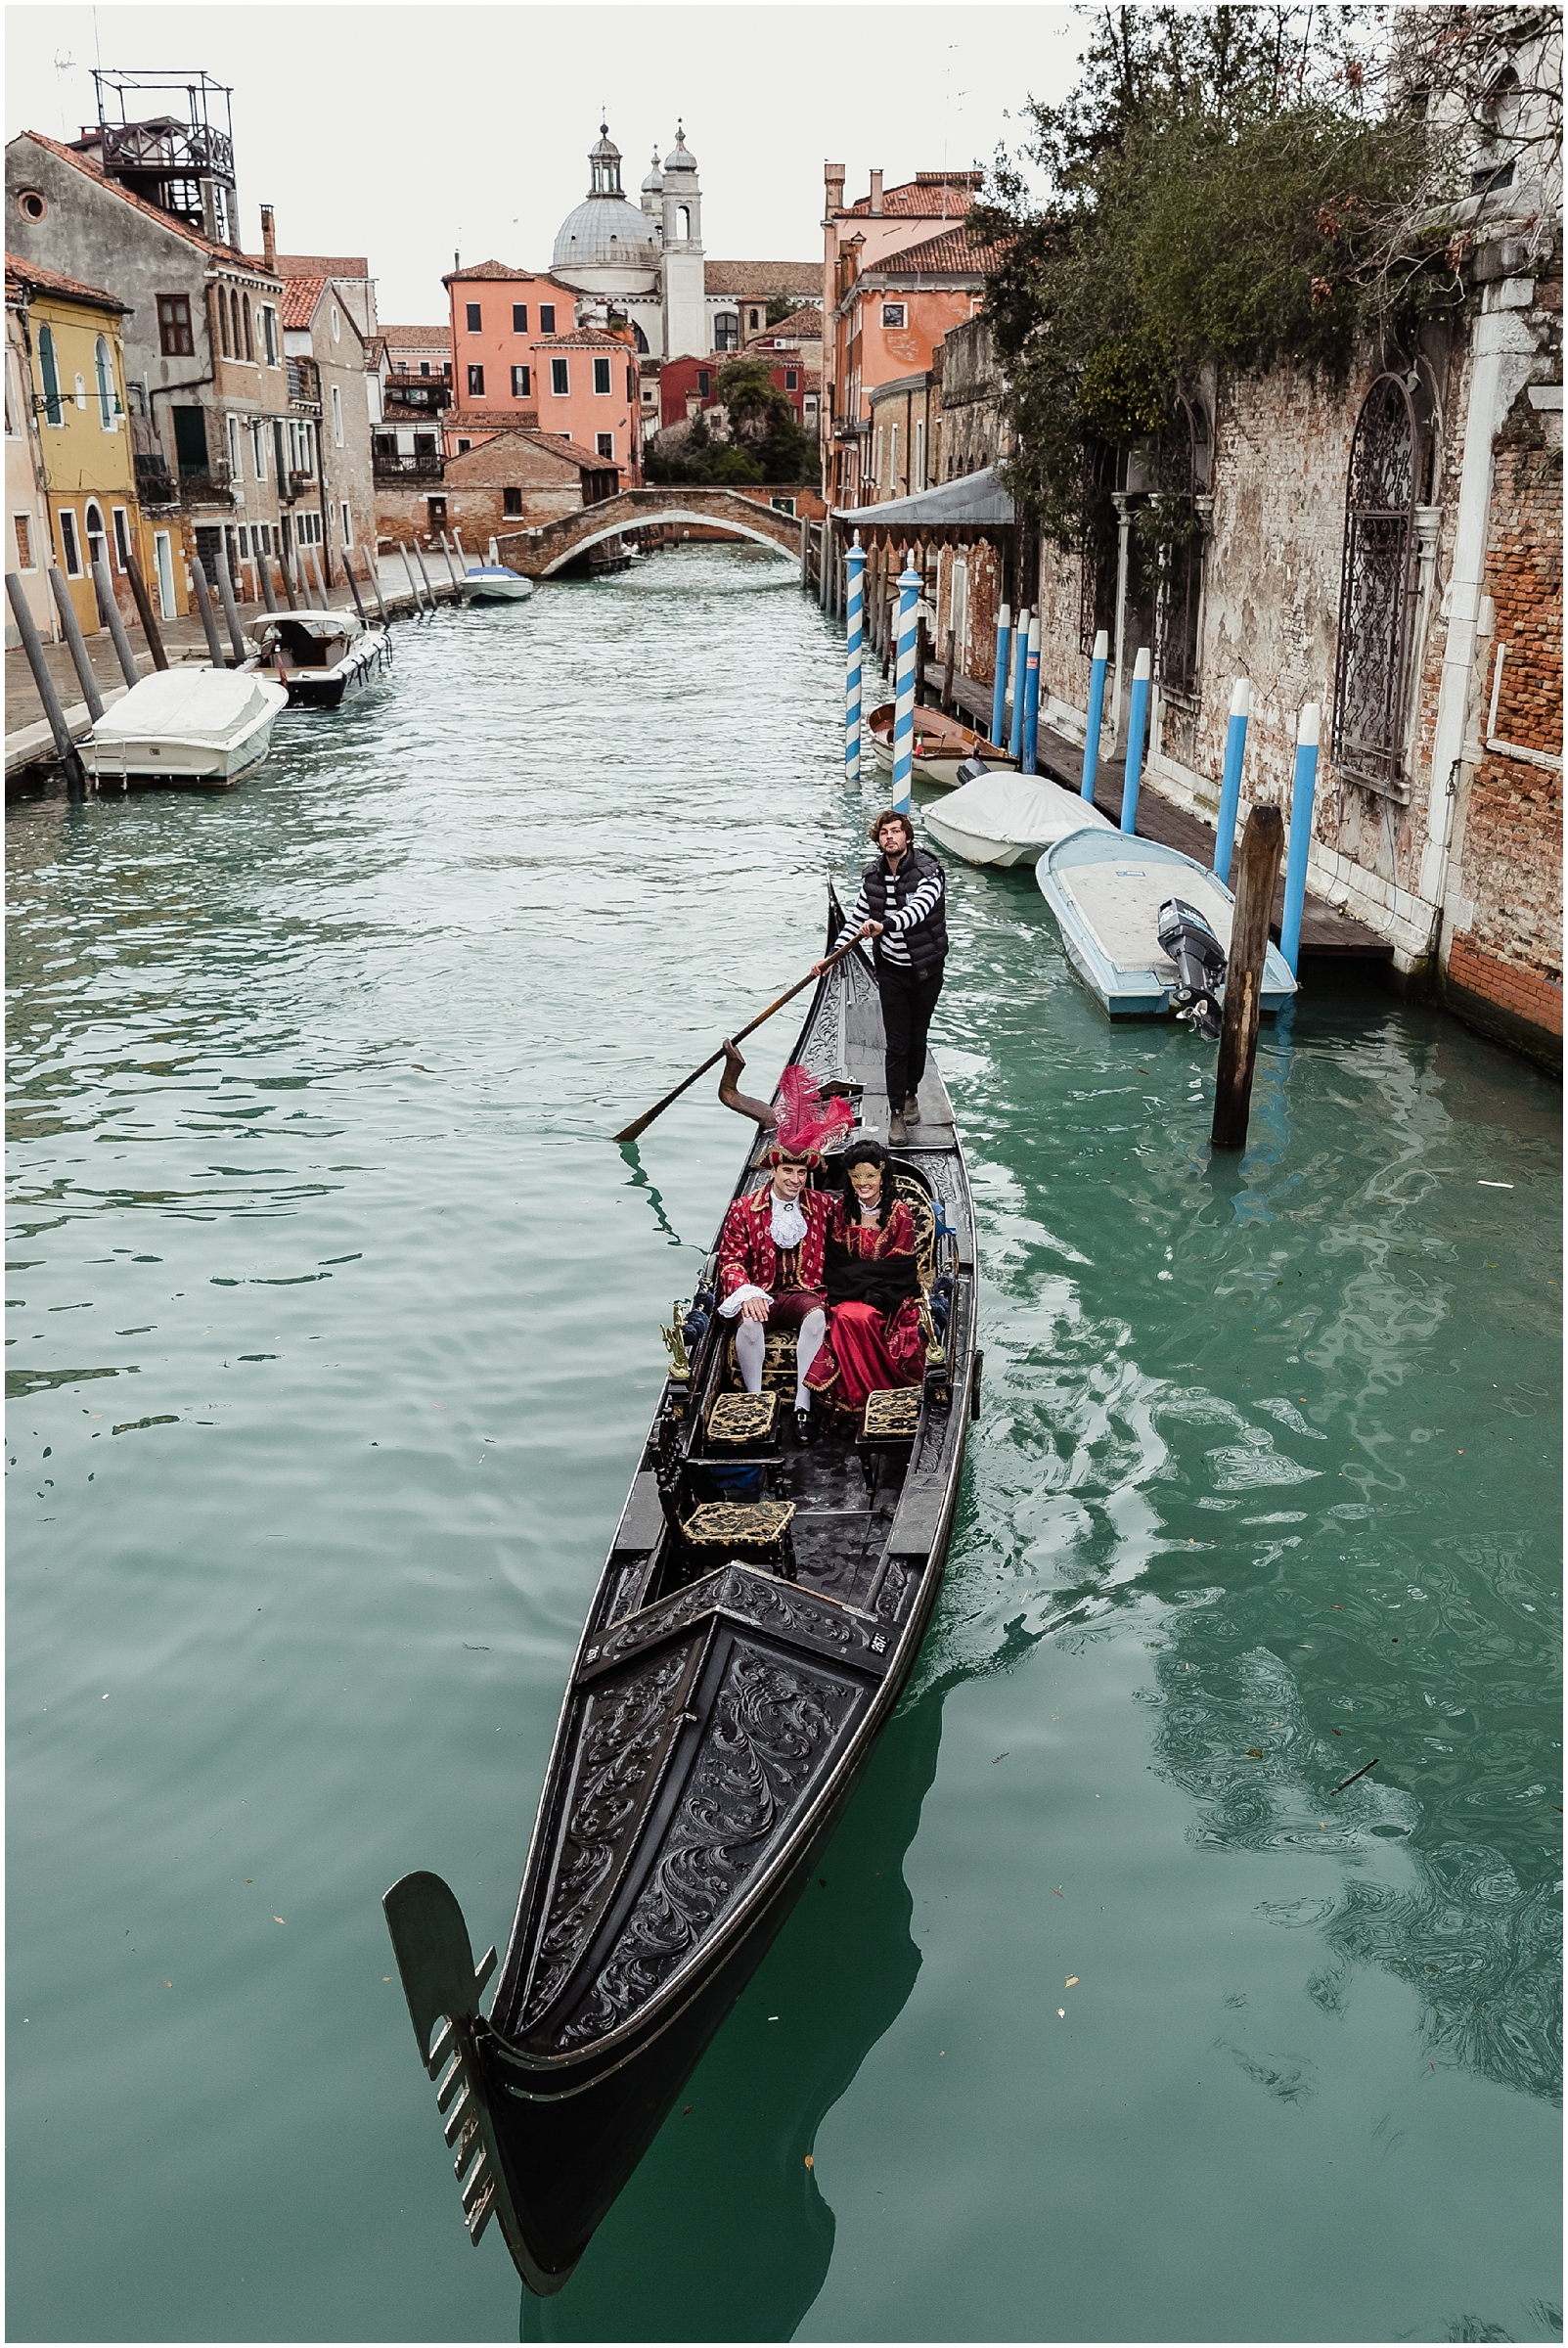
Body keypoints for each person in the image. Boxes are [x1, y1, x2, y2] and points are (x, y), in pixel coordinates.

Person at [714, 1064, 853, 1444]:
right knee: (749, 1324)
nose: (795, 1180)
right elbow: (729, 1260)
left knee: (815, 1317)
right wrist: (747, 1294)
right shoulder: (745, 1208)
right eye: (788, 1172)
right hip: (761, 1295)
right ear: (773, 1171)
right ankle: (757, 1402)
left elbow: (853, 1223)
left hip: (803, 1294)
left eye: (801, 1174)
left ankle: (802, 1405)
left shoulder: (822, 1205)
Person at [813, 810, 947, 1146]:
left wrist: (884, 925)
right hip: (890, 970)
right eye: (884, 832)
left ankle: (912, 1090)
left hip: (926, 969)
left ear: (908, 837)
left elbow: (918, 911)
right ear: (879, 839)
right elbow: (856, 919)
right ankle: (897, 1111)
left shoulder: (929, 872)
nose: (890, 836)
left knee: (918, 1040)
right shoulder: (871, 877)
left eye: (896, 831)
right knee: (897, 1043)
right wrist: (833, 957)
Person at [804, 1139, 925, 1414]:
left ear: (882, 1176)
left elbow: (898, 1267)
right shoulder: (840, 1211)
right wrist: (855, 1280)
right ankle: (859, 1400)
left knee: (859, 1316)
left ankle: (868, 1397)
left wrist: (860, 1279)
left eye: (870, 1175)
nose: (863, 1182)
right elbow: (835, 1261)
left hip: (887, 1293)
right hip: (844, 1291)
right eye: (856, 1176)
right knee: (846, 1315)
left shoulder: (899, 1215)